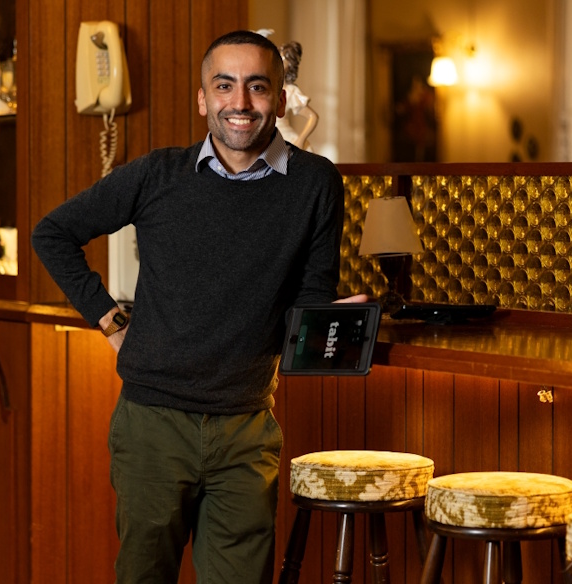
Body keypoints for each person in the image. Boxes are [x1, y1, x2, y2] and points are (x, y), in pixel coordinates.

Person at [32, 30, 365, 583]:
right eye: (224, 86)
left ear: (281, 100)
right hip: (151, 425)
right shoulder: (157, 174)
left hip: (247, 428)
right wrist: (110, 321)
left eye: (258, 87)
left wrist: (335, 319)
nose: (241, 102)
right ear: (203, 100)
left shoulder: (315, 183)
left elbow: (309, 297)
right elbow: (52, 233)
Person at [276, 41, 319, 152]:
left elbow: (313, 117)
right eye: (278, 57)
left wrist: (300, 140)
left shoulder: (290, 91)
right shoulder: (267, 86)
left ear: (290, 66)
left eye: (284, 60)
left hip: (283, 139)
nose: (279, 62)